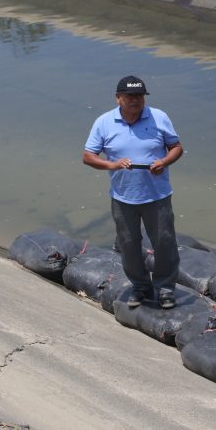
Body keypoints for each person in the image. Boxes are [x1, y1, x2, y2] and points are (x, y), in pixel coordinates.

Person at [83, 75, 183, 309]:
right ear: (118, 98)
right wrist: (113, 165)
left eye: (139, 96)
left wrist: (164, 162)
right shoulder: (104, 122)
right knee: (128, 244)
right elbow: (88, 156)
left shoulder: (159, 117)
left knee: (165, 244)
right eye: (130, 96)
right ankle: (140, 286)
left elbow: (176, 147)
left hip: (157, 196)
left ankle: (166, 288)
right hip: (122, 197)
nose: (135, 100)